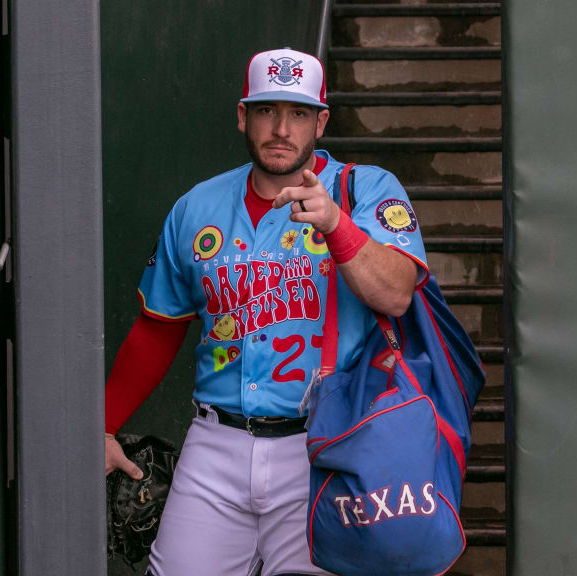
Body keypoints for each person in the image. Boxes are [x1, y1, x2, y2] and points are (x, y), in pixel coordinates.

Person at [104, 47, 429, 576]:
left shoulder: (365, 189)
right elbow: (159, 328)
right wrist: (104, 424)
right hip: (215, 444)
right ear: (242, 116)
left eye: (298, 113)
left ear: (320, 122)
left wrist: (337, 227)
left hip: (324, 446)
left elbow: (396, 294)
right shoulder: (197, 206)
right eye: (266, 110)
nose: (281, 128)